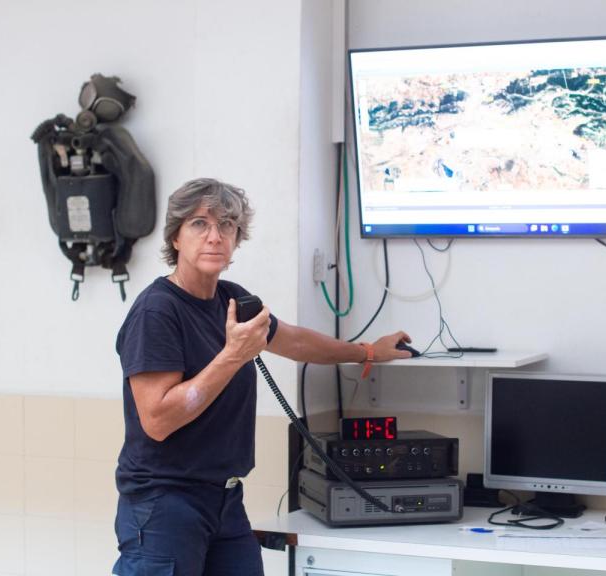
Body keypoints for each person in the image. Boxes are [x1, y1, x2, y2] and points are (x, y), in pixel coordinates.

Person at [112, 177, 412, 576]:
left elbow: (296, 341)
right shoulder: (157, 312)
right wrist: (233, 355)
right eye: (200, 224)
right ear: (176, 238)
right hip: (165, 503)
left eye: (227, 226)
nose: (215, 237)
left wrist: (368, 352)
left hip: (225, 499)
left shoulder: (233, 301)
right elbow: (158, 420)